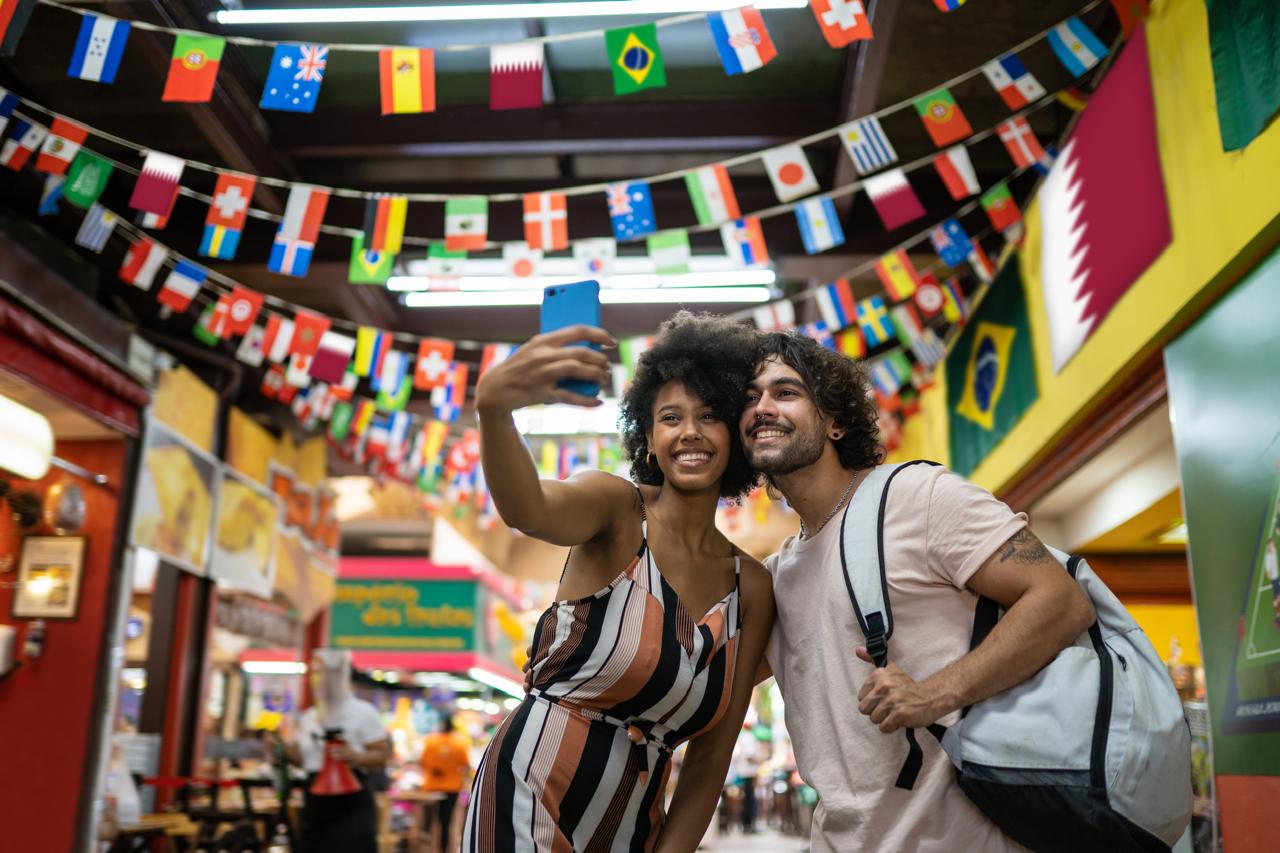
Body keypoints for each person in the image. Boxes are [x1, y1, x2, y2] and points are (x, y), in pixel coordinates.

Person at [742, 332, 1096, 852]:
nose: (762, 408)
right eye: (749, 398)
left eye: (785, 392)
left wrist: (935, 693)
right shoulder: (776, 576)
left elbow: (1062, 600)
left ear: (836, 421)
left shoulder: (914, 497)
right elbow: (708, 686)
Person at [462, 313, 775, 851]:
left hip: (632, 824)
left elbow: (709, 761)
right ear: (649, 439)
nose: (691, 432)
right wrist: (494, 410)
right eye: (671, 417)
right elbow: (529, 509)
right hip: (529, 789)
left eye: (710, 415)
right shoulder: (617, 510)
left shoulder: (751, 585)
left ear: (736, 435)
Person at [281, 650, 391, 853]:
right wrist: (285, 751)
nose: (321, 679)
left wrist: (356, 757)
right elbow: (303, 760)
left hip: (351, 798)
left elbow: (382, 756)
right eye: (316, 673)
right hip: (316, 797)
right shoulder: (310, 717)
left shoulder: (363, 713)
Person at [420, 712, 471, 852]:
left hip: (431, 787)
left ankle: (426, 847)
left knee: (428, 820)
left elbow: (423, 762)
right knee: (446, 821)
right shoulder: (460, 743)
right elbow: (465, 766)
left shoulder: (430, 741)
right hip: (452, 787)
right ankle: (443, 848)